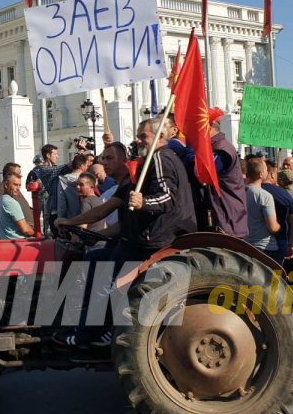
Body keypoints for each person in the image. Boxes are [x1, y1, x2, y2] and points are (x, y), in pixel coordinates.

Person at [55, 120, 195, 346]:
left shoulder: (159, 158)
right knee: (92, 260)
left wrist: (144, 203)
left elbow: (167, 197)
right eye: (138, 136)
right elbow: (110, 212)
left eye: (144, 136)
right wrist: (74, 223)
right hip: (137, 239)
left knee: (107, 281)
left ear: (160, 137)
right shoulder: (136, 175)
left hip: (153, 240)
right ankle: (90, 325)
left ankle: (86, 335)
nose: (138, 141)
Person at [168, 109, 248, 237]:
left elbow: (202, 173)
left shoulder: (222, 149)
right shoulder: (213, 147)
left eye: (197, 127)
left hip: (227, 222)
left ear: (209, 126)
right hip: (221, 219)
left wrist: (188, 150)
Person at [243, 157, 281, 257]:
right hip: (264, 246)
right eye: (266, 170)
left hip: (244, 244)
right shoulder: (265, 196)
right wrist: (280, 227)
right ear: (261, 174)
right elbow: (273, 227)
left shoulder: (240, 193)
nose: (267, 172)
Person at [0, 172, 34, 239]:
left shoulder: (1, 200)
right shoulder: (10, 202)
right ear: (6, 185)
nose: (18, 188)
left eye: (19, 185)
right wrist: (36, 233)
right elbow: (25, 230)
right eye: (15, 185)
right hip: (18, 243)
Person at [55, 153, 88, 222]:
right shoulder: (87, 179)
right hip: (87, 217)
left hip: (70, 220)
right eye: (86, 165)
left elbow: (62, 203)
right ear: (82, 166)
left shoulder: (63, 180)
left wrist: (60, 220)